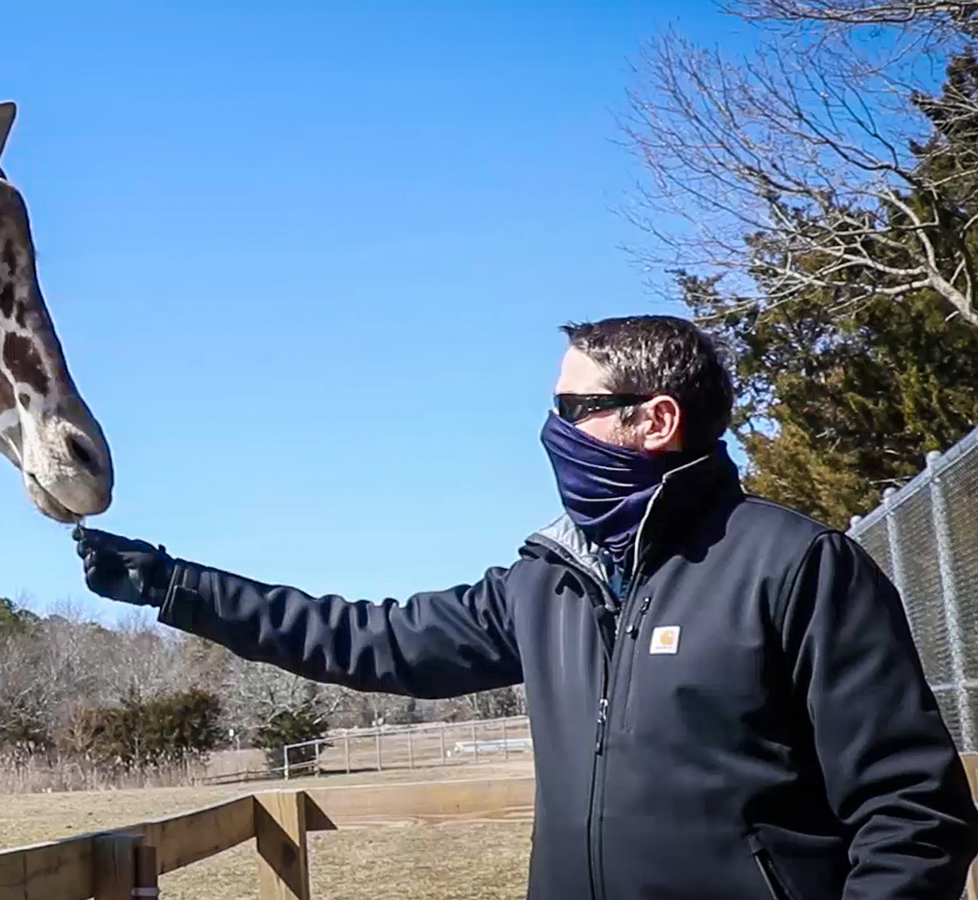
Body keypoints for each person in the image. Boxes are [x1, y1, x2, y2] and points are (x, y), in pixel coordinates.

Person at [72, 314, 978, 900]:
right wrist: (175, 586)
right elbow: (366, 640)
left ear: (654, 421)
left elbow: (913, 812)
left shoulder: (797, 567)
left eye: (571, 409)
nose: (550, 433)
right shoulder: (545, 581)